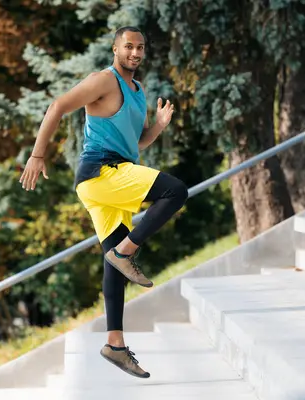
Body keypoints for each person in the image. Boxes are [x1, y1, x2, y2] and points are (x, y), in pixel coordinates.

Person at [19, 26, 188, 379]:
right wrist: (37, 155)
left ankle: (115, 344)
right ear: (115, 49)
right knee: (175, 192)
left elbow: (135, 144)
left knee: (112, 262)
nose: (135, 53)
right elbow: (58, 106)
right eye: (128, 46)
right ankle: (125, 251)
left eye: (140, 47)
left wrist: (157, 126)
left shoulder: (138, 91)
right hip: (101, 173)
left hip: (113, 176)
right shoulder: (103, 80)